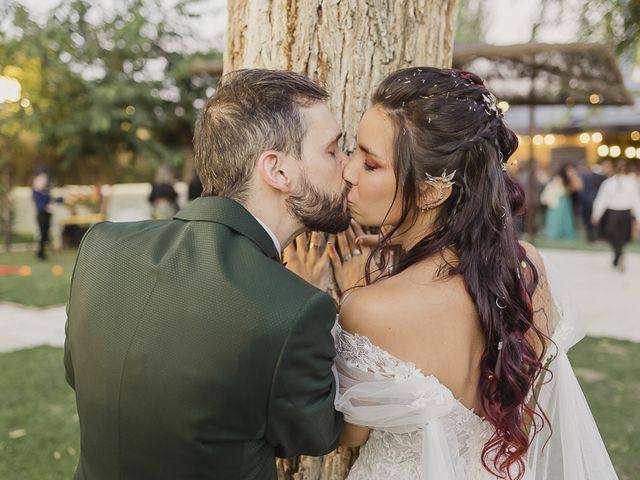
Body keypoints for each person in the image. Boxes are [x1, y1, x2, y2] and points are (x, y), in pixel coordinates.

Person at [302, 67, 617, 479]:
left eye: (371, 163)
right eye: (353, 152)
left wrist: (315, 301)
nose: (348, 172)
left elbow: (349, 433)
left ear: (434, 190)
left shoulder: (367, 306)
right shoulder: (526, 268)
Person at [64, 69, 350, 480]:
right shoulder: (295, 311)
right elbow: (316, 434)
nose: (348, 167)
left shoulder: (102, 246)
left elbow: (80, 375)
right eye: (333, 150)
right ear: (278, 171)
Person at [592, 160, 640, 271]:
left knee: (619, 236)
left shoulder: (630, 183)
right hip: (614, 212)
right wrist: (596, 214)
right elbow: (602, 200)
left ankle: (618, 254)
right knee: (613, 236)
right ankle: (619, 253)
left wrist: (638, 217)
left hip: (622, 212)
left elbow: (636, 201)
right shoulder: (609, 183)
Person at [541, 163, 583, 241]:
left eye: (572, 170)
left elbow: (579, 187)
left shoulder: (571, 178)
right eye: (569, 169)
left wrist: (573, 176)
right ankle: (554, 235)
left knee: (566, 219)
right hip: (559, 201)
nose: (571, 171)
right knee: (556, 219)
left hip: (566, 201)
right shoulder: (559, 178)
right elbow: (565, 189)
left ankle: (565, 234)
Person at [31, 167, 62, 260]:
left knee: (46, 235)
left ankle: (42, 252)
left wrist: (61, 200)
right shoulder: (36, 192)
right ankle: (41, 253)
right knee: (43, 234)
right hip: (42, 216)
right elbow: (40, 205)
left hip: (48, 216)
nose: (44, 180)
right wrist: (46, 207)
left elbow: (53, 200)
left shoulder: (46, 191)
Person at [579, 159, 612, 241]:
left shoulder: (591, 174)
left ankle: (592, 237)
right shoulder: (601, 176)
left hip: (588, 200)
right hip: (595, 201)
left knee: (589, 221)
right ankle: (596, 237)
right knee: (594, 221)